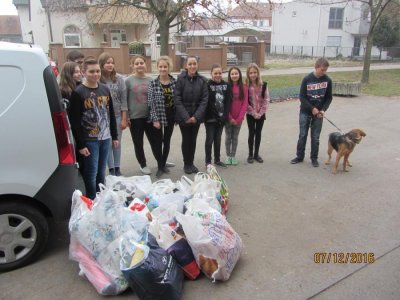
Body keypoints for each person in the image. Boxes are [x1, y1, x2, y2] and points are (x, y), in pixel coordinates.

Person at [69, 57, 119, 200]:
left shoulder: (104, 89)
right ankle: (91, 197)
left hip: (105, 137)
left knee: (101, 171)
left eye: (97, 71)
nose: (95, 74)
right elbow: (75, 122)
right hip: (89, 139)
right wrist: (81, 145)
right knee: (91, 171)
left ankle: (100, 195)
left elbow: (110, 114)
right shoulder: (78, 93)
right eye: (92, 72)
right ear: (84, 72)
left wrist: (114, 136)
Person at [290, 57, 333, 167]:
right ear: (316, 67)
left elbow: (329, 98)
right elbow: (302, 97)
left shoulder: (328, 81)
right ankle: (299, 156)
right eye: (322, 70)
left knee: (315, 136)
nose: (324, 72)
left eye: (325, 70)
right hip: (305, 112)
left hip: (319, 114)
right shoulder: (307, 79)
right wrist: (312, 108)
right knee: (303, 135)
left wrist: (323, 110)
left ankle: (314, 158)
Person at [174, 55, 208, 174]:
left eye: (194, 64)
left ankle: (191, 163)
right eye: (190, 64)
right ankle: (186, 164)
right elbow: (177, 99)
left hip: (196, 117)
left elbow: (204, 100)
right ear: (186, 66)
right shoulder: (180, 79)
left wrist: (196, 116)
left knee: (193, 140)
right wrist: (186, 117)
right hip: (184, 117)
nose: (192, 66)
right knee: (186, 139)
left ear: (197, 65)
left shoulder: (202, 80)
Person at [125, 55, 157, 175]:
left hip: (149, 116)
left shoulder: (151, 80)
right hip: (135, 117)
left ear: (145, 64)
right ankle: (143, 164)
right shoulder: (128, 81)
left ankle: (160, 159)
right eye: (136, 63)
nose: (139, 65)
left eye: (141, 63)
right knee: (138, 142)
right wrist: (126, 116)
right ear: (133, 66)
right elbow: (124, 100)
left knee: (155, 140)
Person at [98, 52, 128, 176]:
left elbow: (124, 100)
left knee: (116, 142)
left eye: (112, 62)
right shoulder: (98, 79)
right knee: (107, 143)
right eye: (107, 63)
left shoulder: (119, 79)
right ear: (101, 64)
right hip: (102, 118)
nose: (110, 65)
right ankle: (111, 169)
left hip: (117, 115)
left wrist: (124, 118)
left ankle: (117, 167)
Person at [148, 56, 177, 178]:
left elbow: (178, 100)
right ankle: (160, 166)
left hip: (171, 117)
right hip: (159, 117)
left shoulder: (175, 82)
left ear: (169, 67)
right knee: (158, 142)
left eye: (165, 66)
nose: (163, 69)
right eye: (161, 66)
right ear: (157, 67)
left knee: (167, 141)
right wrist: (155, 119)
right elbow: (151, 103)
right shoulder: (153, 83)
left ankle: (163, 163)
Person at [58, 61, 84, 175]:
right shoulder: (63, 91)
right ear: (68, 73)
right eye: (76, 72)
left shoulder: (80, 87)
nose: (79, 74)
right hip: (71, 128)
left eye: (79, 71)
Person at [204, 64, 231, 168]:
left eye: (219, 73)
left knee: (218, 139)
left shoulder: (227, 85)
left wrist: (224, 116)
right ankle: (208, 161)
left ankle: (217, 159)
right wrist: (217, 116)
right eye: (215, 73)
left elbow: (228, 102)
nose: (217, 75)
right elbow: (209, 103)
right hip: (210, 118)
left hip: (221, 118)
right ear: (211, 74)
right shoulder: (208, 85)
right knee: (210, 139)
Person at [246, 63, 270, 164]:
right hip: (250, 114)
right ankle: (250, 154)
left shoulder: (263, 85)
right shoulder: (246, 86)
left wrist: (260, 113)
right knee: (251, 133)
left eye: (255, 72)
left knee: (258, 133)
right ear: (248, 74)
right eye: (251, 73)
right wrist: (253, 113)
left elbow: (266, 99)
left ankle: (256, 154)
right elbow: (245, 102)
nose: (253, 75)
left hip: (261, 114)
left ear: (258, 73)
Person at [224, 67, 248, 166]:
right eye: (232, 74)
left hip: (239, 119)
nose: (234, 75)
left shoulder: (244, 87)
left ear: (239, 74)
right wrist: (230, 118)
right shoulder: (226, 87)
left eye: (236, 73)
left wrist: (238, 118)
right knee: (228, 137)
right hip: (228, 118)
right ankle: (228, 156)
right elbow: (225, 104)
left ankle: (233, 156)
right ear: (229, 75)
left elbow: (245, 104)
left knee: (235, 137)